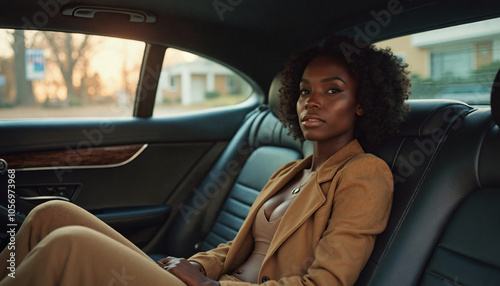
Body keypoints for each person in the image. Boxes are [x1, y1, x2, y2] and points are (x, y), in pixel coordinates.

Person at [0, 36, 410, 286]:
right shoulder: (293, 169)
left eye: (333, 90)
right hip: (211, 281)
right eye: (304, 91)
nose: (312, 101)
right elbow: (240, 246)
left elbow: (324, 284)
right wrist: (192, 264)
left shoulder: (366, 175)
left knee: (70, 246)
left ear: (363, 104)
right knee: (53, 214)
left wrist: (209, 285)